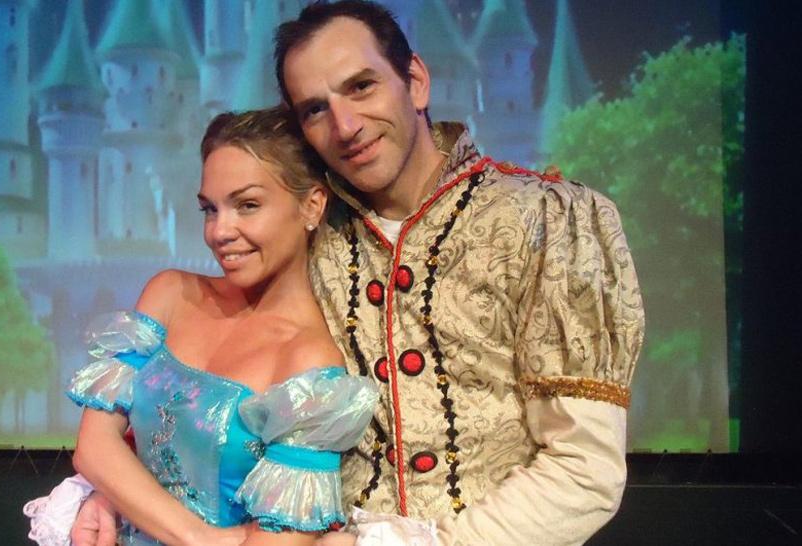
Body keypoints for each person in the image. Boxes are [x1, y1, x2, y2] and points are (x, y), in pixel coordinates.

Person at [52, 1, 645, 544]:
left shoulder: (549, 219)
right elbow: (202, 386)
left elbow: (583, 470)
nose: (345, 125)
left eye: (361, 87)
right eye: (315, 109)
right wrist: (119, 492)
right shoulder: (304, 224)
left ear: (415, 81)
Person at [24, 107, 378, 546]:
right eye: (210, 209)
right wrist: (201, 536)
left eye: (247, 205)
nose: (219, 231)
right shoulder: (171, 294)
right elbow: (94, 449)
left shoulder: (310, 369)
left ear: (312, 205)